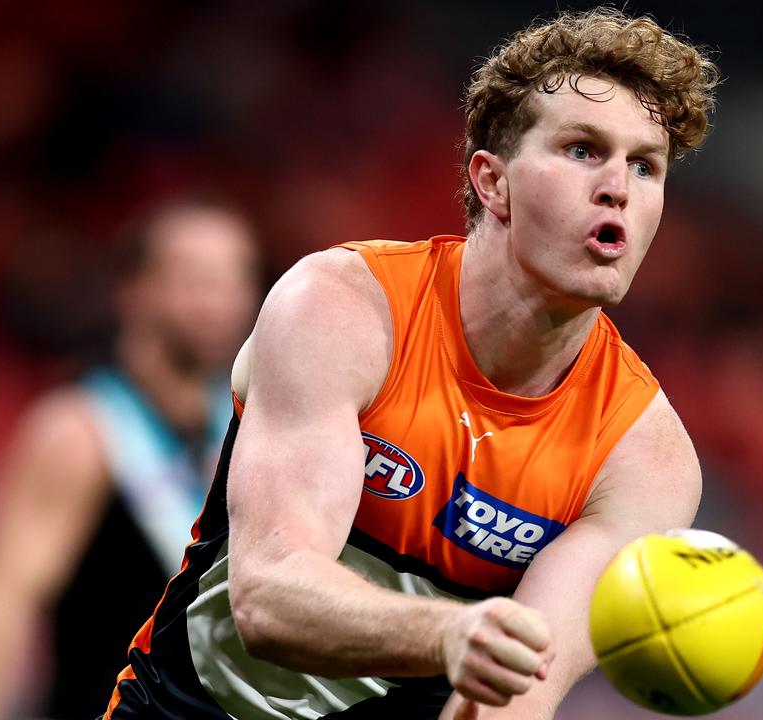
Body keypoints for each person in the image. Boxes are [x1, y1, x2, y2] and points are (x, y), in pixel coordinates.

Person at [105, 9, 718, 720]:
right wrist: (451, 632)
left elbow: (518, 698)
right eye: (583, 149)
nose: (618, 185)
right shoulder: (342, 310)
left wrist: (480, 676)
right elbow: (268, 598)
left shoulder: (645, 458)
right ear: (493, 184)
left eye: (645, 165)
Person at [0, 199, 261, 720]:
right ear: (135, 290)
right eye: (195, 279)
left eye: (233, 279)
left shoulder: (249, 424)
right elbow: (1, 603)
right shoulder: (82, 431)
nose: (218, 301)